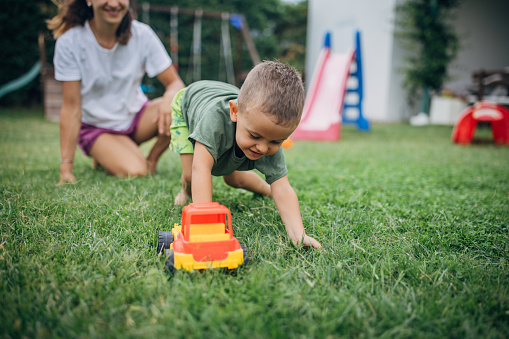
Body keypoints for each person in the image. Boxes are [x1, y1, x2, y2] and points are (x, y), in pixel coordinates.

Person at [170, 61, 321, 249]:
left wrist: (299, 235)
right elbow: (201, 168)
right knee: (191, 175)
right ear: (235, 112)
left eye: (275, 142)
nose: (262, 148)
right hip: (187, 103)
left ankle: (266, 190)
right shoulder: (214, 119)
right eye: (255, 136)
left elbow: (282, 187)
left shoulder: (265, 131)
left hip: (229, 106)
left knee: (234, 179)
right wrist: (205, 225)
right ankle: (184, 191)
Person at [47, 0, 185, 184]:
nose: (113, 3)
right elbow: (71, 108)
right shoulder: (69, 41)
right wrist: (66, 168)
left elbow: (176, 84)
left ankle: (150, 161)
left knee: (181, 105)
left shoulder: (142, 34)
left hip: (136, 119)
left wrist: (170, 98)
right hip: (97, 128)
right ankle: (108, 152)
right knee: (135, 170)